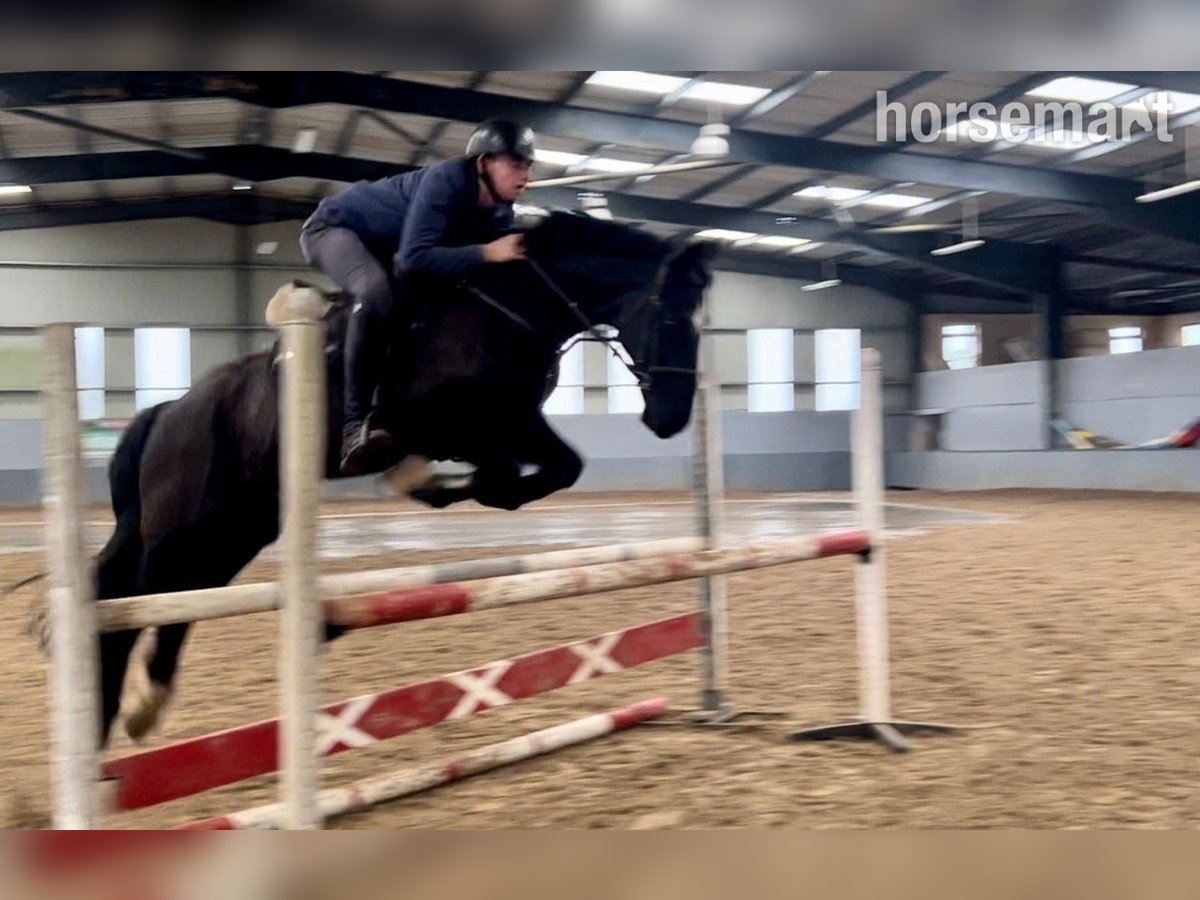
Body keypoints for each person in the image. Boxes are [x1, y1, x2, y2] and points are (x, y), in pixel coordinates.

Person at [300, 119, 536, 476]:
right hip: (333, 229)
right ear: (483, 162)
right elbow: (416, 259)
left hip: (386, 244)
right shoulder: (446, 181)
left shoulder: (501, 209)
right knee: (375, 293)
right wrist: (487, 253)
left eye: (529, 166)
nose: (526, 176)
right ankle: (353, 426)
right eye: (516, 164)